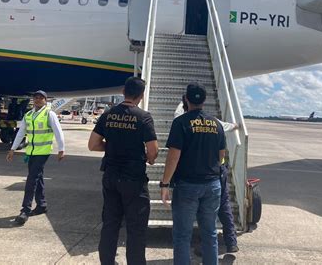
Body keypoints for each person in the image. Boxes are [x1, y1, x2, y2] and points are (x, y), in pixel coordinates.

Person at [88, 77, 158, 265]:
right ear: (141, 96)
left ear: (122, 92)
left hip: (110, 176)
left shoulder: (108, 114)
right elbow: (153, 151)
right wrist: (149, 158)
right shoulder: (144, 117)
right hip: (133, 180)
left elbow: (92, 145)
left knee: (110, 225)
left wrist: (111, 147)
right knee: (136, 229)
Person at [161, 82, 226, 265]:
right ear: (204, 101)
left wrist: (165, 183)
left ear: (186, 99)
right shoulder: (216, 124)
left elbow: (173, 157)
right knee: (210, 233)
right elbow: (221, 156)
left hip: (187, 186)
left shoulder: (181, 123)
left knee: (182, 235)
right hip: (212, 185)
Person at [174, 94, 240, 253]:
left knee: (196, 214)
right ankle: (230, 241)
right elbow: (230, 127)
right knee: (222, 206)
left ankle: (201, 247)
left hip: (193, 175)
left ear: (186, 103)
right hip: (216, 172)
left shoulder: (181, 120)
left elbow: (174, 151)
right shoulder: (214, 122)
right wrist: (237, 125)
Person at [6, 90, 65, 225]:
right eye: (36, 98)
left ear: (45, 100)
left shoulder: (49, 114)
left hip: (43, 152)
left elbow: (58, 131)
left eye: (41, 98)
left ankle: (25, 210)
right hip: (31, 152)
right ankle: (41, 205)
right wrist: (12, 149)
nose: (38, 100)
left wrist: (62, 149)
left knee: (31, 180)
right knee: (37, 178)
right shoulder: (28, 115)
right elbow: (21, 133)